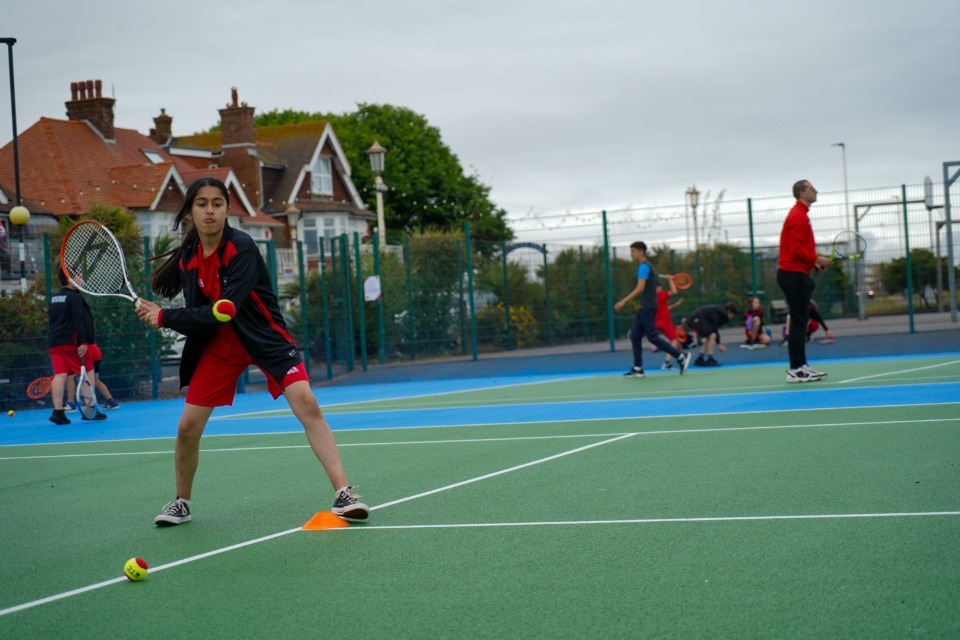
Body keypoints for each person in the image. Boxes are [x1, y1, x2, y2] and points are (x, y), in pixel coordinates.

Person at [136, 177, 369, 526]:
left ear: (228, 209)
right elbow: (200, 319)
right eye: (202, 204)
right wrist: (162, 317)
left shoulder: (241, 248)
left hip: (264, 338)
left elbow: (224, 309)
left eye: (217, 203)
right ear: (191, 211)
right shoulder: (188, 258)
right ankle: (181, 502)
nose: (209, 210)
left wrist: (165, 316)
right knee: (186, 427)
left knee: (307, 402)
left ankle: (344, 494)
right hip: (219, 347)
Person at [776, 180, 833, 383]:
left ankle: (801, 366)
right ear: (802, 193)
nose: (816, 190)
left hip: (795, 273)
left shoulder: (801, 215)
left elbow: (799, 252)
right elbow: (795, 250)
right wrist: (817, 259)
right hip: (793, 275)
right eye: (811, 188)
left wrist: (813, 265)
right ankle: (795, 369)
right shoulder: (798, 216)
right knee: (799, 322)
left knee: (801, 321)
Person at [614, 241, 690, 377]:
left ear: (641, 251)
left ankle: (679, 356)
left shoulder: (643, 267)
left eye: (633, 251)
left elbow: (640, 287)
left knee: (653, 338)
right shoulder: (647, 266)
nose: (631, 254)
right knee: (635, 336)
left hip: (648, 307)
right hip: (644, 307)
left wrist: (623, 301)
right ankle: (638, 368)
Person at [47, 266, 94, 424]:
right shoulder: (75, 297)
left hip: (55, 342)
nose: (82, 278)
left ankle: (58, 411)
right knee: (87, 372)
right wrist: (84, 341)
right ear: (69, 277)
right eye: (79, 275)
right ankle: (90, 409)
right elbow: (78, 320)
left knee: (59, 375)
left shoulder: (54, 297)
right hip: (72, 343)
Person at [655, 277, 685, 370]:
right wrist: (670, 279)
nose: (661, 289)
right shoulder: (660, 295)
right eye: (659, 287)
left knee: (675, 338)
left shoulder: (651, 298)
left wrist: (675, 305)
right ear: (656, 288)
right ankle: (666, 363)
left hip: (657, 322)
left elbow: (665, 308)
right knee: (673, 341)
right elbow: (674, 291)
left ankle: (683, 354)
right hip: (665, 322)